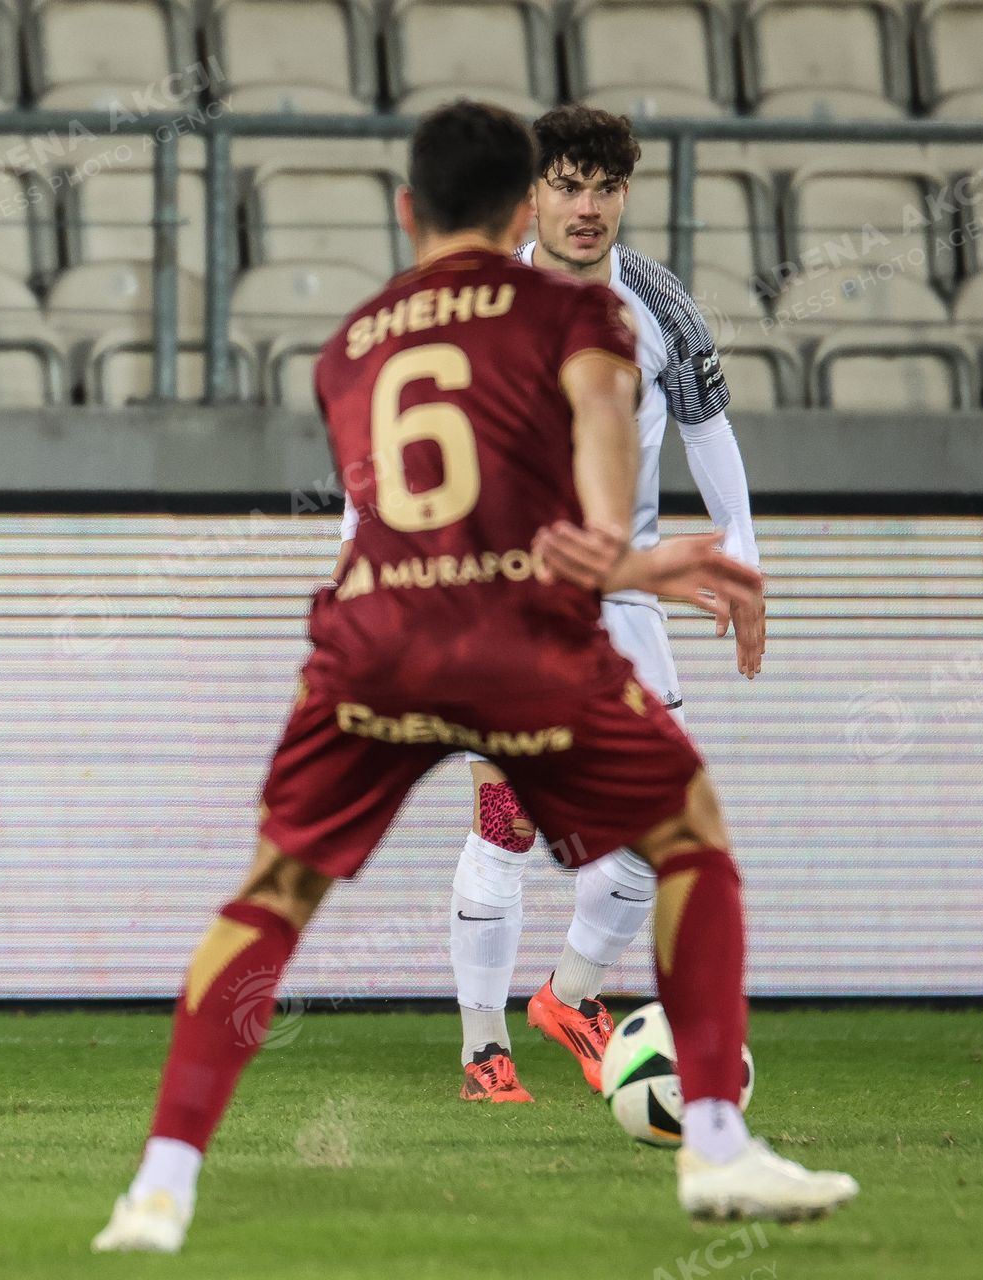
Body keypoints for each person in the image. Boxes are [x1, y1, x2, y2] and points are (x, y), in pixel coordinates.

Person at [94, 101, 856, 1252]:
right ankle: (712, 1139)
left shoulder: (352, 340)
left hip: (373, 635)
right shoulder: (581, 314)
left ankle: (158, 1186)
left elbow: (372, 515)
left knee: (271, 895)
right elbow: (595, 518)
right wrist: (658, 562)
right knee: (690, 834)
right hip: (516, 635)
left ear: (409, 211)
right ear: (520, 213)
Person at [334, 103, 767, 1102]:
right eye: (567, 186)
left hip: (622, 593)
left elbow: (708, 430)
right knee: (508, 819)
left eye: (605, 188)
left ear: (626, 194)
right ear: (531, 196)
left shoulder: (661, 306)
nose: (587, 207)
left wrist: (743, 555)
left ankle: (569, 994)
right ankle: (483, 1049)